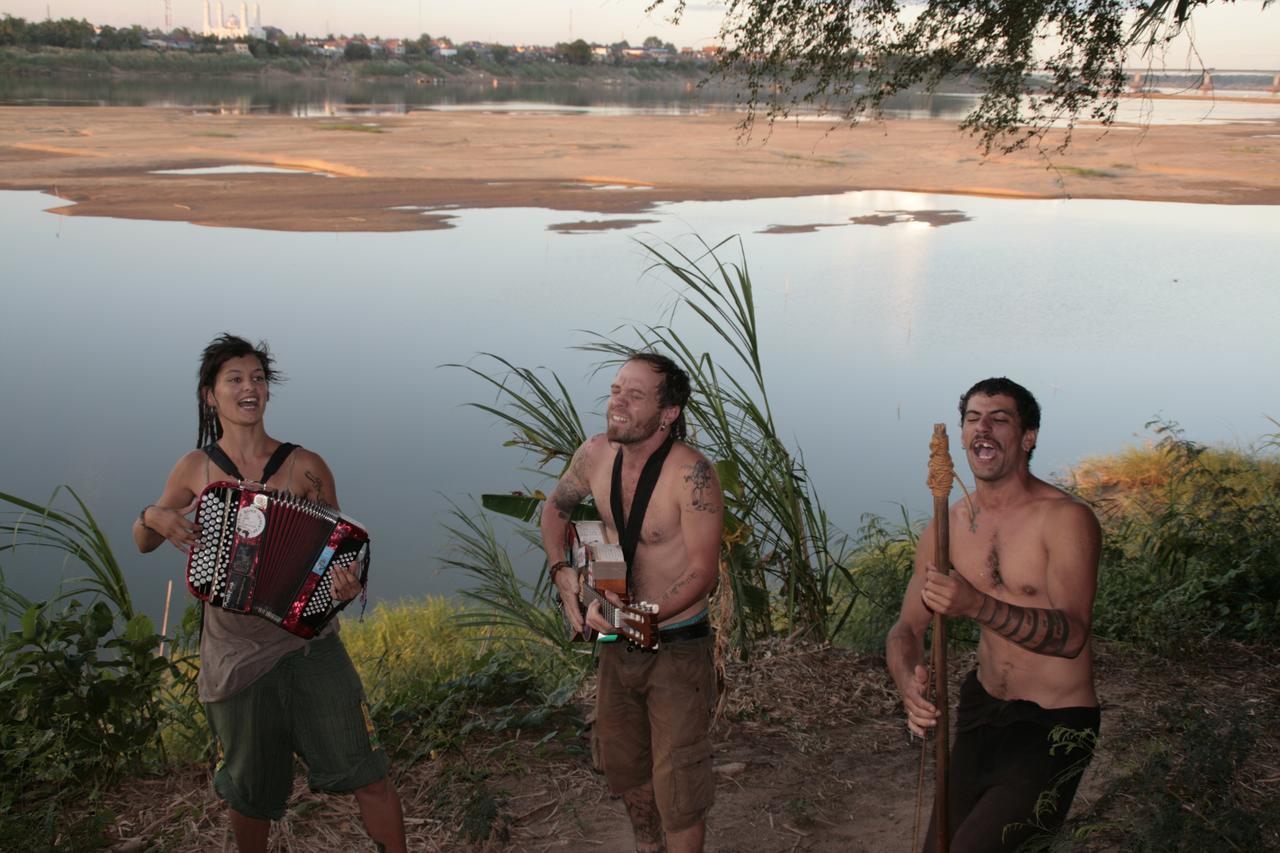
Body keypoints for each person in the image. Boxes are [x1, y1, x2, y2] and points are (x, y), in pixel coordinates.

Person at [133, 333, 406, 853]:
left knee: (369, 772)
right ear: (210, 395)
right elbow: (142, 541)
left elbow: (339, 554)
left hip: (309, 643)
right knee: (250, 794)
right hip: (236, 655)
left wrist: (345, 585)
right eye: (234, 379)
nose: (249, 387)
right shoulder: (196, 469)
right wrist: (155, 516)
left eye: (257, 378)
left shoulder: (305, 466)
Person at [886, 377, 1102, 853]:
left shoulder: (1066, 519)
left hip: (1055, 723)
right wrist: (907, 683)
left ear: (1029, 437)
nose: (983, 429)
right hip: (982, 709)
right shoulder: (947, 526)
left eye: (999, 419)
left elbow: (1071, 636)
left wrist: (976, 604)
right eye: (972, 419)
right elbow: (906, 629)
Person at [540, 352, 724, 853]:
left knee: (680, 785)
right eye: (617, 389)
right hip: (616, 641)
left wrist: (634, 616)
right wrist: (563, 575)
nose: (616, 402)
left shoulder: (694, 475)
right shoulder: (594, 454)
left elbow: (701, 572)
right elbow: (555, 511)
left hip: (676, 645)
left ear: (668, 414)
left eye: (634, 394)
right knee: (625, 767)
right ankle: (649, 847)